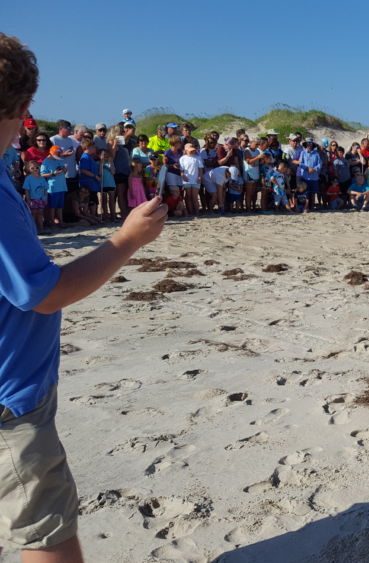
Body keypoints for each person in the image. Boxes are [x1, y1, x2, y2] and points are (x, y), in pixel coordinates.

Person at [0, 33, 168, 563]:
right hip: (10, 398)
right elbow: (44, 294)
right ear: (26, 111)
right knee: (44, 531)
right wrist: (126, 240)